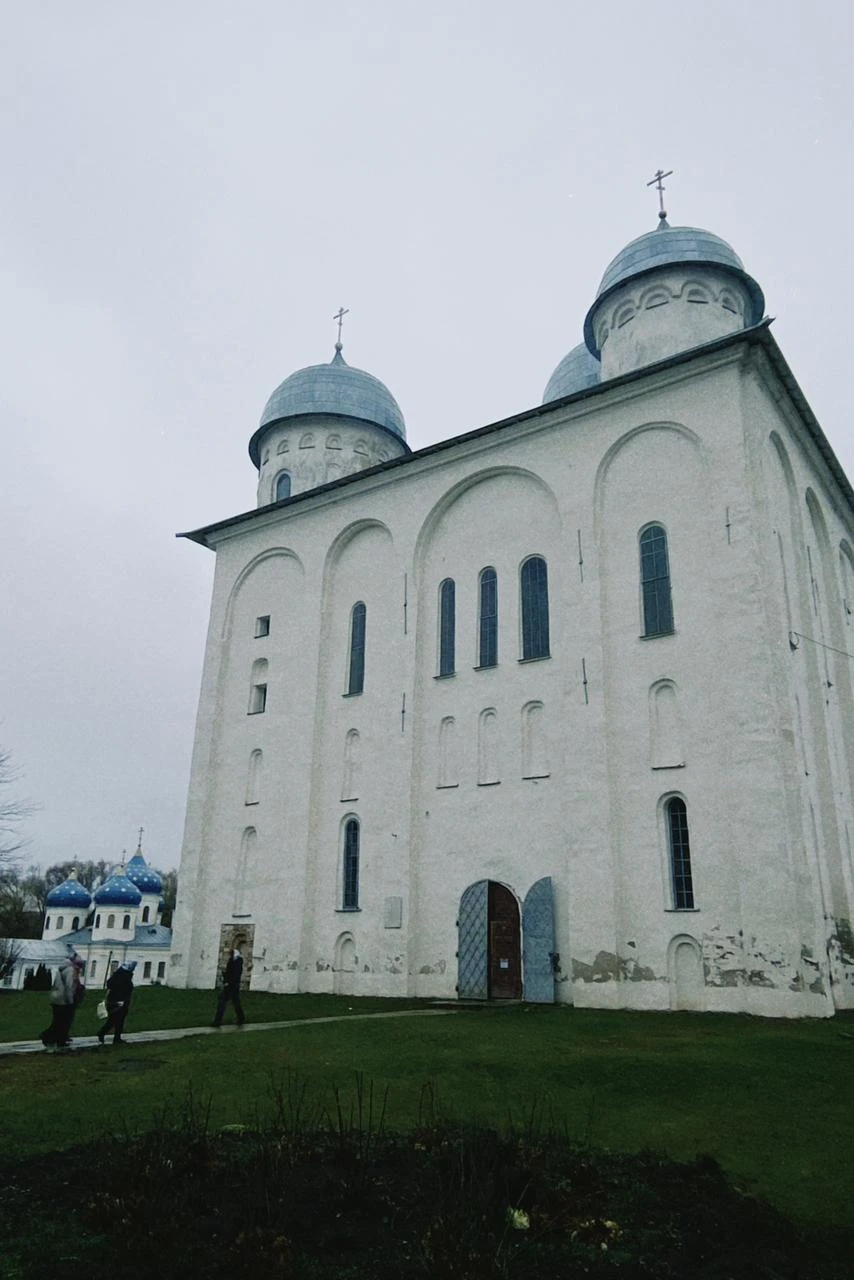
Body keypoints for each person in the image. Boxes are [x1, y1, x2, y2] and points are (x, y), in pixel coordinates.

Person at [41, 953, 86, 1052]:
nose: (80, 968)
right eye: (79, 965)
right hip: (64, 1000)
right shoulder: (70, 971)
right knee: (62, 1021)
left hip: (56, 998)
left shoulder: (63, 968)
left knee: (58, 1020)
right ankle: (49, 1037)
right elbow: (70, 987)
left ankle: (58, 1038)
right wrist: (71, 1001)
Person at [98, 960, 136, 1046]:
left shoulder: (117, 975)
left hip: (115, 999)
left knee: (117, 1019)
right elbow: (127, 988)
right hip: (119, 1000)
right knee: (116, 1019)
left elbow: (110, 984)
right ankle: (104, 1033)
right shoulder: (125, 976)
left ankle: (116, 1037)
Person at [212, 947, 245, 1027]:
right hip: (231, 985)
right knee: (235, 1002)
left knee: (223, 1002)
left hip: (231, 986)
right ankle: (241, 1018)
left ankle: (217, 1021)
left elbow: (235, 974)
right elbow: (229, 972)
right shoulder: (232, 960)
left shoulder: (238, 961)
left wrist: (228, 982)